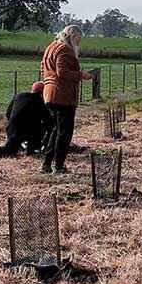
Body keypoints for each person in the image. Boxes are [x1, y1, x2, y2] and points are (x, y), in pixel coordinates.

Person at [40, 25, 92, 174]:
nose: (78, 44)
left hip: (49, 93)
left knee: (55, 130)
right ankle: (59, 165)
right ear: (73, 37)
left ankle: (46, 164)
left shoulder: (51, 47)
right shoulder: (65, 49)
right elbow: (62, 72)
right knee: (64, 132)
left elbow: (43, 69)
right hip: (63, 95)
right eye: (78, 40)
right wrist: (81, 74)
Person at [0, 82, 51, 158]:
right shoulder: (40, 101)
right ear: (42, 92)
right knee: (41, 127)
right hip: (27, 132)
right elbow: (48, 121)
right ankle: (31, 150)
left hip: (12, 129)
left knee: (9, 151)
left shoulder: (19, 96)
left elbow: (8, 113)